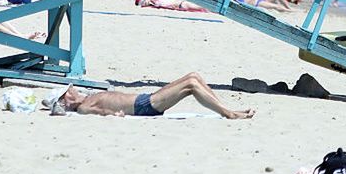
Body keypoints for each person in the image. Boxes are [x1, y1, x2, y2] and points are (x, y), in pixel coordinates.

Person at [50, 72, 255, 119]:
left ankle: (227, 109)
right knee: (191, 84)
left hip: (145, 98)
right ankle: (229, 114)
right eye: (68, 92)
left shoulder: (86, 98)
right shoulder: (84, 107)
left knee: (194, 76)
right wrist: (115, 116)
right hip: (143, 106)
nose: (72, 90)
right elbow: (103, 113)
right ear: (64, 101)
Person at [135, 0, 206, 13]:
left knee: (203, 9)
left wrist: (148, 5)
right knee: (202, 10)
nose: (144, 4)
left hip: (181, 5)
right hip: (181, 5)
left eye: (143, 2)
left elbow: (158, 5)